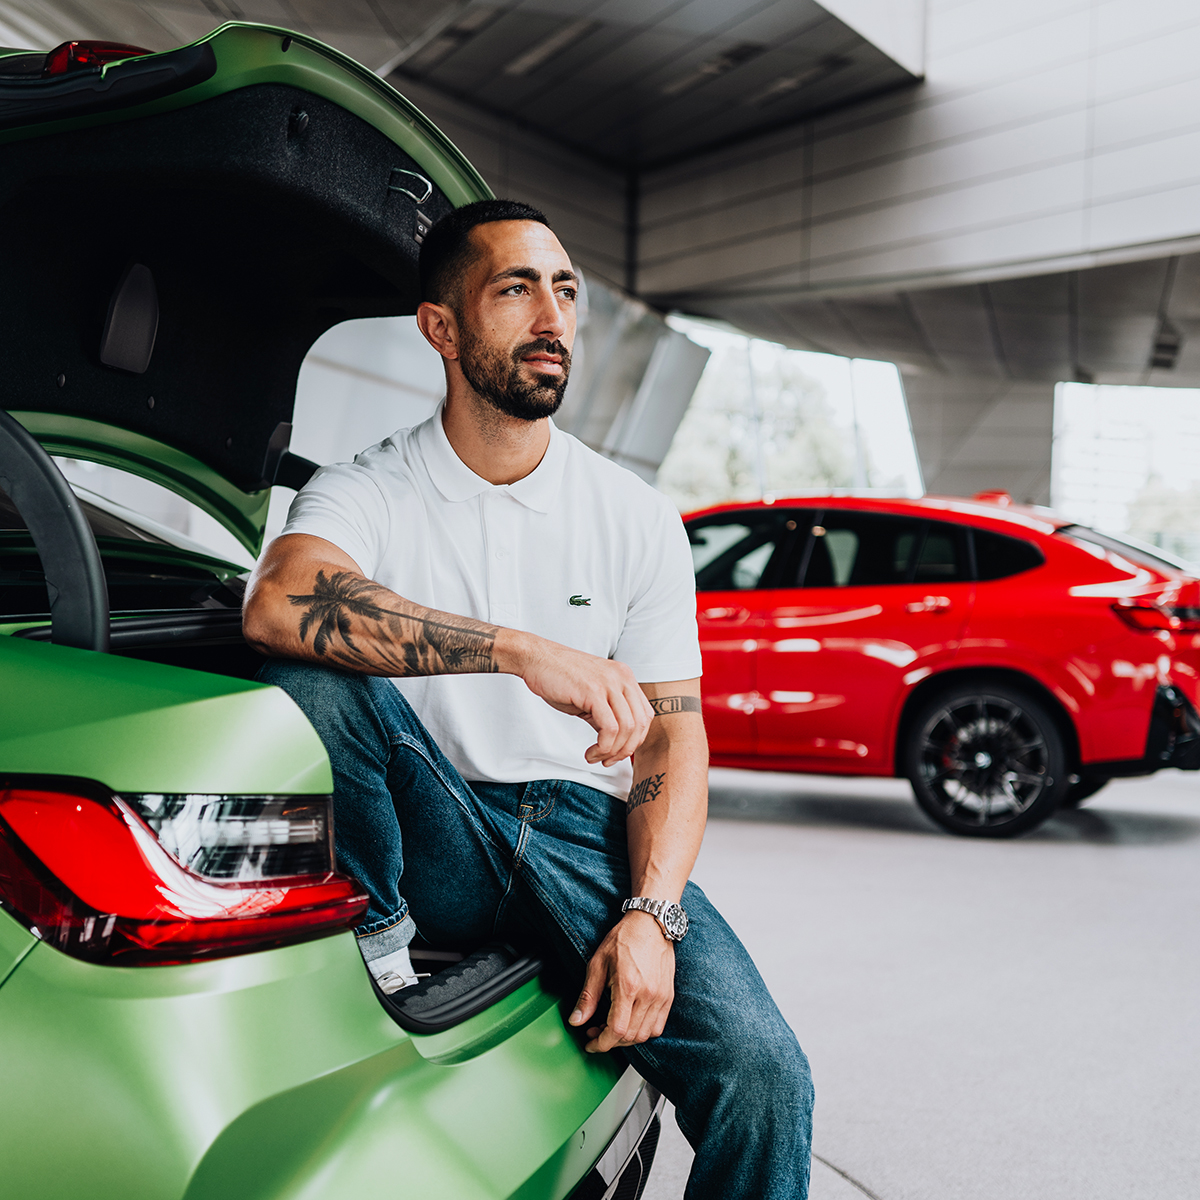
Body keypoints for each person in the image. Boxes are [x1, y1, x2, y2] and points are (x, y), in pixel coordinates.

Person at [243, 199, 812, 1198]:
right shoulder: (366, 487)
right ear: (443, 329)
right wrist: (517, 651)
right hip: (436, 824)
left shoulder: (633, 517)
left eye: (564, 290)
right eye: (515, 289)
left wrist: (650, 915)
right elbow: (283, 601)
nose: (552, 317)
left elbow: (671, 750)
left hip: (583, 838)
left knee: (768, 1078)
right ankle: (377, 961)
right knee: (313, 659)